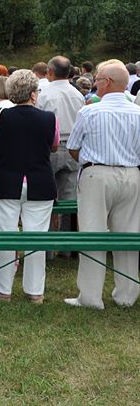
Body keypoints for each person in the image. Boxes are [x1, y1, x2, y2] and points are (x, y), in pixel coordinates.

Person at [64, 60, 140, 309]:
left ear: (106, 82)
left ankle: (90, 297)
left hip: (96, 175)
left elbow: (73, 147)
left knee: (92, 235)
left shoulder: (89, 111)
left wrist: (89, 161)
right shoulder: (138, 113)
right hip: (131, 174)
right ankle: (127, 295)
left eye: (96, 79)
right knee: (128, 236)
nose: (94, 83)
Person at [0, 70, 58, 303]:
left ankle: (4, 290)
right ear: (33, 95)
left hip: (6, 180)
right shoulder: (49, 118)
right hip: (39, 181)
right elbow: (54, 145)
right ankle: (35, 292)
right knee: (36, 238)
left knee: (5, 236)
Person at [38, 56, 86, 243]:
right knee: (69, 197)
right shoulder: (78, 95)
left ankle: (48, 243)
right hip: (73, 147)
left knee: (46, 197)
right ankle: (67, 244)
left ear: (50, 72)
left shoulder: (44, 94)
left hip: (51, 147)